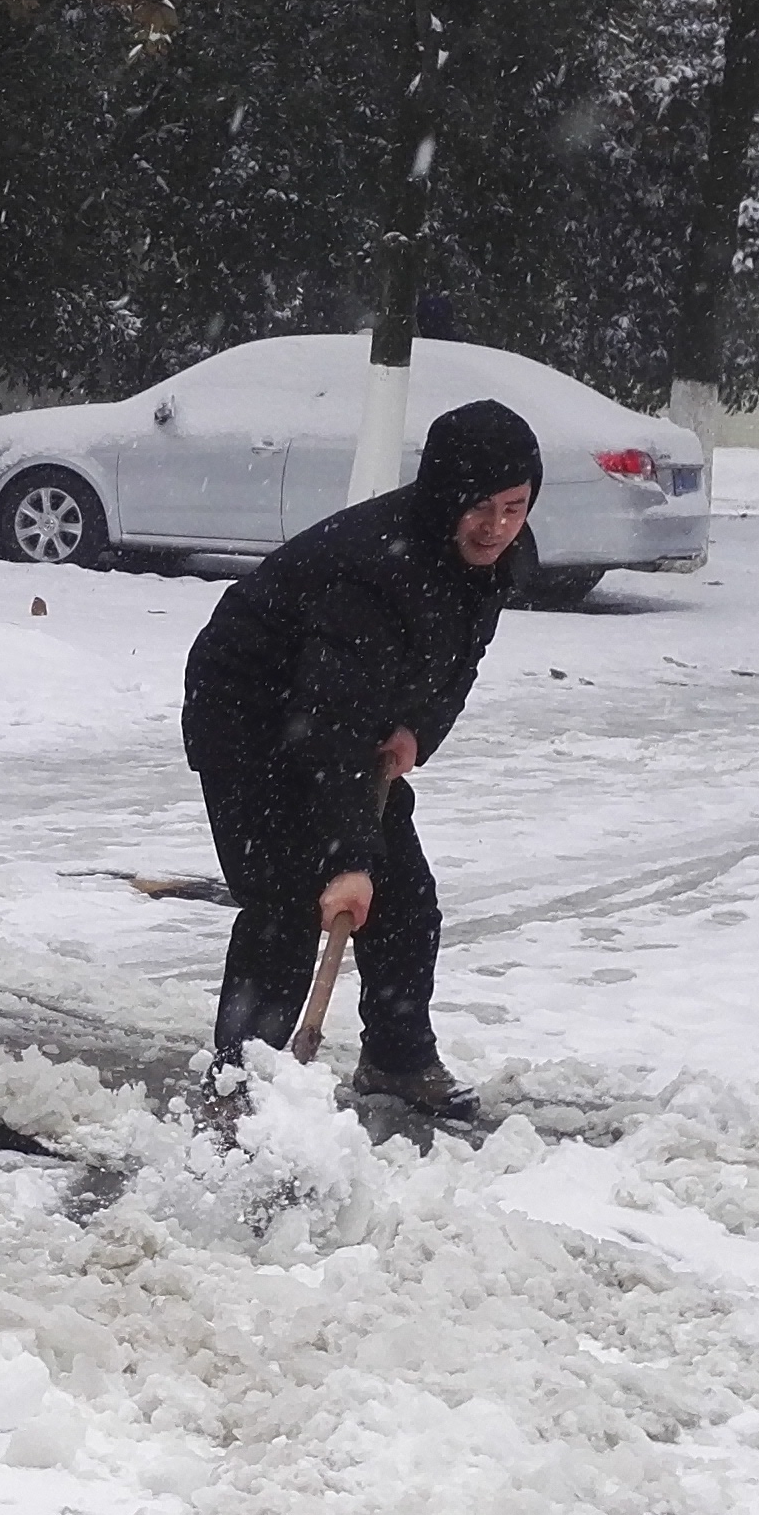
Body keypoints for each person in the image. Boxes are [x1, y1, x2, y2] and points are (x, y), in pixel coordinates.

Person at [178, 398, 541, 1123]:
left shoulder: (493, 561)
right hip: (250, 711)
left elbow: (459, 662)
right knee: (286, 898)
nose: (497, 527)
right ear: (444, 495)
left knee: (405, 896)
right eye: (480, 507)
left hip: (348, 713)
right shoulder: (378, 571)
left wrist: (417, 727)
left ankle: (397, 1062)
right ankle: (242, 1085)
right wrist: (347, 857)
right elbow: (328, 724)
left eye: (514, 507)